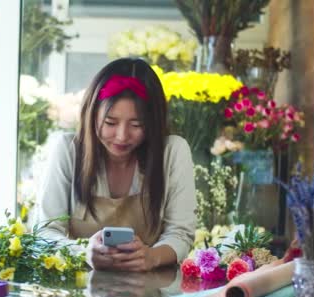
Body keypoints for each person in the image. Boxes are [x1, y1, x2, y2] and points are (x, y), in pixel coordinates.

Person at [35, 57, 196, 272]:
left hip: (150, 290)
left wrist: (151, 257)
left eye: (137, 124)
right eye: (110, 123)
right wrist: (83, 252)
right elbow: (45, 232)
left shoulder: (173, 152)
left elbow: (180, 233)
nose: (122, 136)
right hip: (77, 291)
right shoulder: (68, 150)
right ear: (92, 115)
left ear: (153, 123)